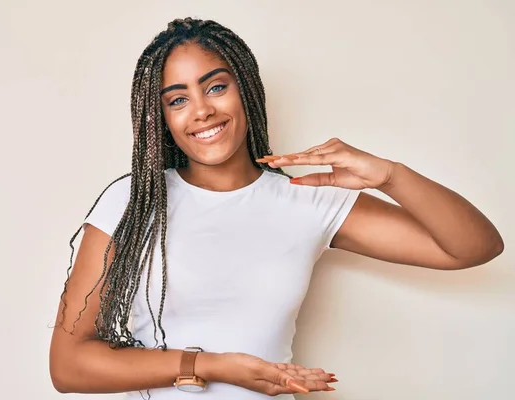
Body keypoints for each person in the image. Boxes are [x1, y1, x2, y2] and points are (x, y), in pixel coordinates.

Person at [48, 17, 504, 400]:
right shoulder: (134, 201)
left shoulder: (308, 197)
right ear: (162, 117)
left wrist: (390, 176)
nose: (202, 110)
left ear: (244, 89)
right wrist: (216, 366)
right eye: (178, 100)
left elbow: (473, 247)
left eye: (216, 87)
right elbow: (68, 366)